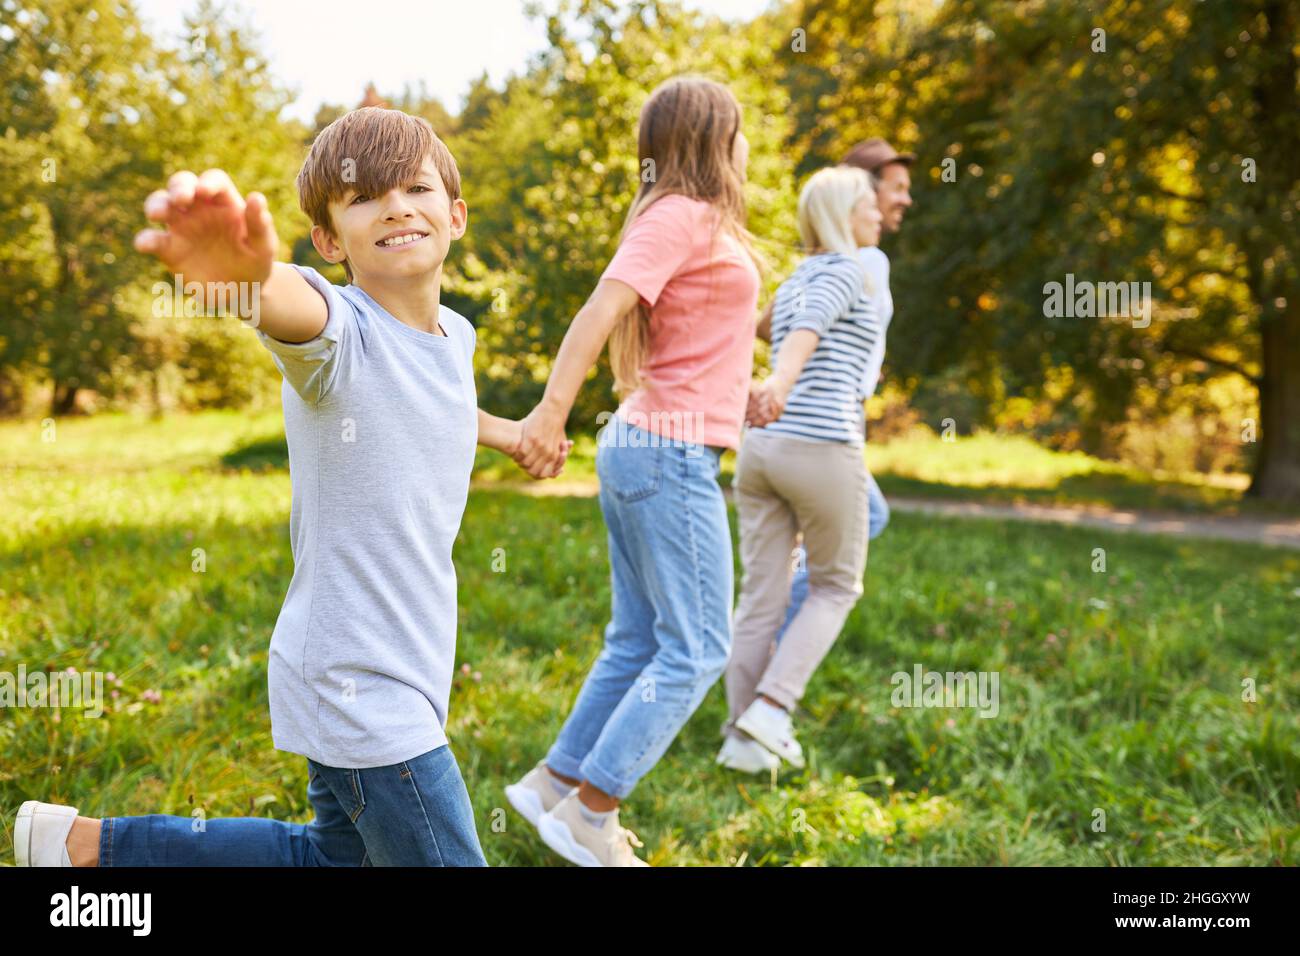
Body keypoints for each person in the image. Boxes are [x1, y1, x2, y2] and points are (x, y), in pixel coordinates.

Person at [14, 107, 568, 867]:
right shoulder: (338, 334)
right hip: (359, 681)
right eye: (366, 197)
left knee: (328, 862)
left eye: (416, 187)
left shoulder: (455, 338)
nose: (398, 206)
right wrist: (246, 278)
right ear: (331, 242)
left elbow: (427, 403)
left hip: (392, 661)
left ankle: (83, 848)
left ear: (456, 214)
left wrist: (508, 434)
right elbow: (295, 309)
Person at [502, 76, 762, 866]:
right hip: (666, 454)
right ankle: (592, 811)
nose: (746, 145)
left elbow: (698, 340)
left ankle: (554, 784)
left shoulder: (700, 223)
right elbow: (598, 312)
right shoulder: (679, 215)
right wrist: (549, 411)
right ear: (714, 139)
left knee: (639, 637)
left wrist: (743, 395)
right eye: (739, 131)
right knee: (698, 648)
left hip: (659, 444)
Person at [721, 165, 883, 773]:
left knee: (760, 598)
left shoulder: (795, 280)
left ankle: (741, 742)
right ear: (844, 213)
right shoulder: (845, 271)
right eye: (868, 204)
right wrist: (779, 383)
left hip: (761, 452)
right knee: (835, 585)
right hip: (819, 446)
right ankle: (773, 706)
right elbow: (807, 333)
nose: (878, 214)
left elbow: (753, 327)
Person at [765, 137, 914, 640]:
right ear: (860, 196)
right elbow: (802, 325)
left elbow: (768, 324)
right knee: (866, 518)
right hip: (830, 418)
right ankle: (782, 638)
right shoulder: (864, 260)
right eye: (895, 189)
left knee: (806, 535)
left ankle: (768, 630)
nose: (903, 201)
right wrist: (786, 378)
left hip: (799, 421)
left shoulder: (818, 263)